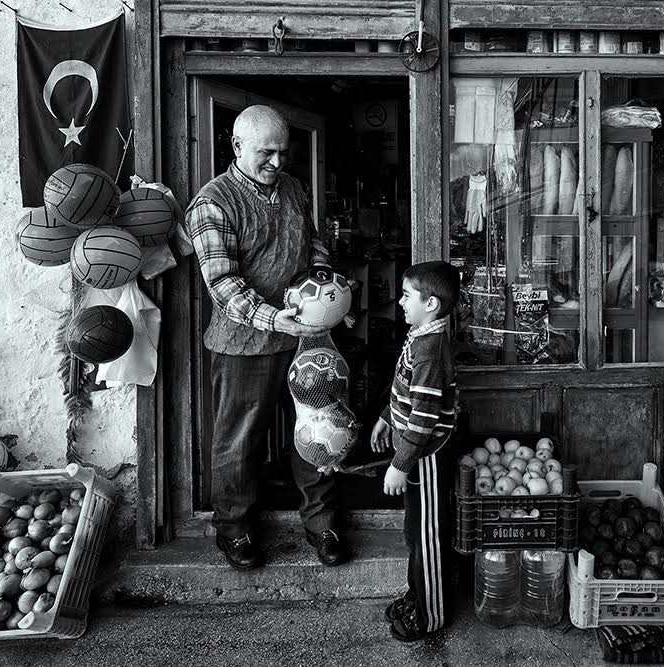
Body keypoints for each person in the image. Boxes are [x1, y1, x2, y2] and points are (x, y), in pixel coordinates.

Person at [185, 105, 347, 570]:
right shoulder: (214, 202)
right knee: (239, 440)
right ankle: (233, 530)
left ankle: (323, 525)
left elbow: (312, 242)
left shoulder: (294, 188)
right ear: (236, 147)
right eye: (265, 153)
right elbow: (223, 288)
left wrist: (324, 283)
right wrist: (278, 320)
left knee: (318, 429)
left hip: (304, 339)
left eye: (282, 152)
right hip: (244, 345)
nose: (277, 162)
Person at [371, 261, 460, 642]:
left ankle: (431, 615)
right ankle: (417, 594)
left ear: (432, 304)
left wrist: (399, 464)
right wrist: (387, 417)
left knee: (427, 535)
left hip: (425, 457)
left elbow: (423, 418)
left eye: (408, 296)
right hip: (414, 452)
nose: (401, 303)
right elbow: (405, 391)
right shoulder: (420, 334)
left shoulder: (429, 349)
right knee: (413, 532)